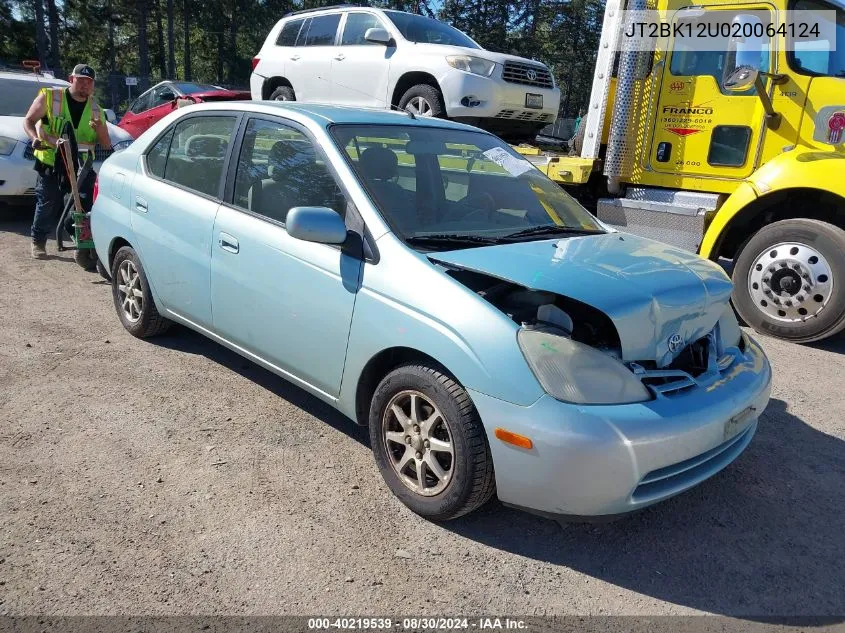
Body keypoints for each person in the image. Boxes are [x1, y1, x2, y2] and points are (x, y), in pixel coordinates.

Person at [23, 63, 112, 259]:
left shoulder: (96, 109)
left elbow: (106, 144)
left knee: (86, 203)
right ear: (71, 80)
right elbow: (28, 121)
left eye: (89, 82)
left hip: (82, 165)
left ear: (93, 85)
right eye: (80, 80)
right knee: (48, 201)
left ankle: (81, 241)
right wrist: (34, 139)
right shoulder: (51, 97)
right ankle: (38, 241)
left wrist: (100, 130)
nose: (84, 85)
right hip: (52, 161)